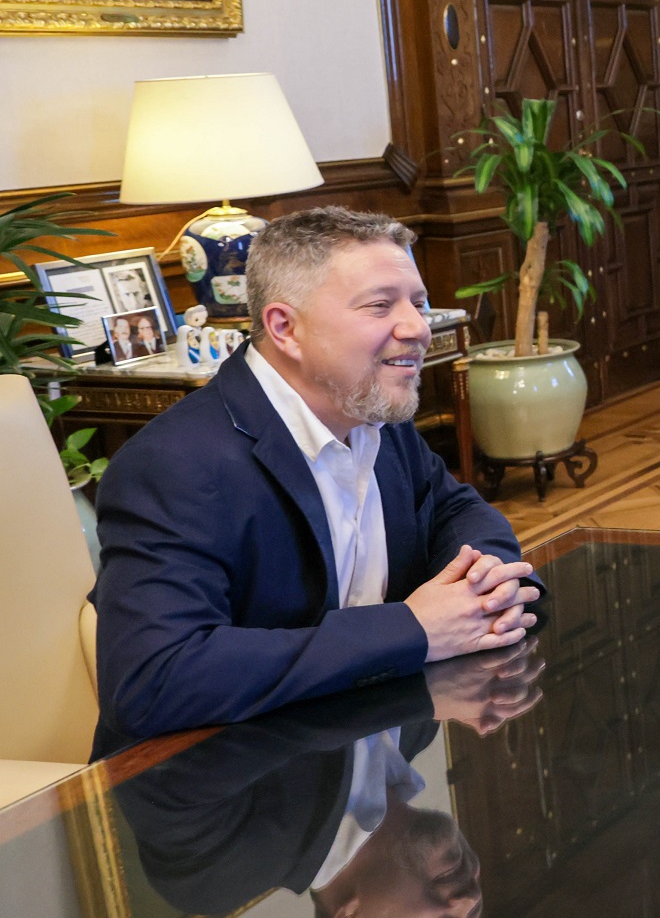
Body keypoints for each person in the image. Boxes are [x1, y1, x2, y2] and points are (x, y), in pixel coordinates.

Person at [91, 207, 540, 754]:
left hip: (362, 749)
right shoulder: (172, 464)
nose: (418, 328)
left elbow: (456, 510)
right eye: (380, 306)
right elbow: (153, 681)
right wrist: (412, 630)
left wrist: (486, 586)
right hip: (229, 802)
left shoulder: (371, 414)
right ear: (285, 328)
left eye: (417, 303)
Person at [113, 643, 539, 917]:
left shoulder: (216, 875)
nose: (468, 902)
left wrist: (387, 683)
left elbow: (158, 728)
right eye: (474, 917)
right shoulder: (422, 727)